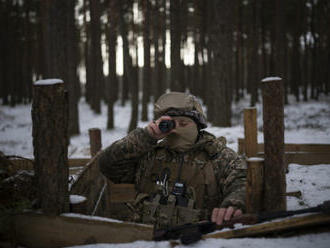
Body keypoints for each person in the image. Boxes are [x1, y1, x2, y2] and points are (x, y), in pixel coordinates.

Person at [99, 92, 246, 228]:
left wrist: (233, 203)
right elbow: (108, 165)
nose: (176, 130)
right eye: (170, 125)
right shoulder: (149, 157)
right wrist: (145, 137)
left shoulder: (218, 156)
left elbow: (242, 180)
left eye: (183, 124)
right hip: (146, 239)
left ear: (198, 126)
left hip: (199, 240)